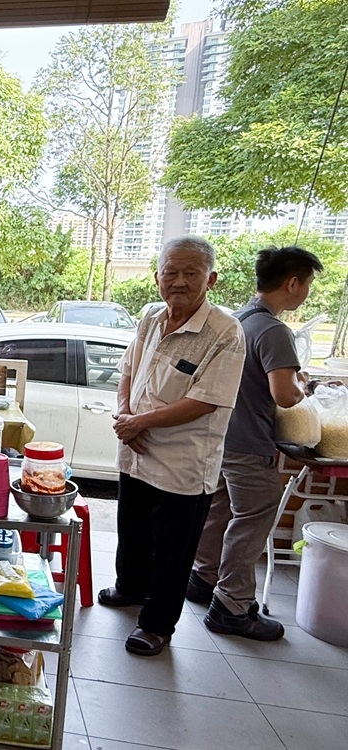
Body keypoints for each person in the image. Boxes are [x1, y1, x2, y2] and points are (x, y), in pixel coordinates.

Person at [99, 236, 246, 656]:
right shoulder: (150, 316)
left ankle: (157, 625)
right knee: (132, 529)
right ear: (157, 277)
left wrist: (138, 423)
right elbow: (128, 370)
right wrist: (126, 417)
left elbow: (205, 401)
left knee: (173, 550)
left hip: (183, 463)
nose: (179, 281)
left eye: (191, 273)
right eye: (171, 272)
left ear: (210, 279)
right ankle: (130, 587)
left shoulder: (225, 332)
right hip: (135, 449)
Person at [187, 246, 323, 640]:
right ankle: (231, 606)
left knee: (219, 511)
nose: (306, 293)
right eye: (307, 284)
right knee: (252, 519)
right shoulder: (274, 330)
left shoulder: (237, 320)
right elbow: (284, 395)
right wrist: (303, 386)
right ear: (292, 283)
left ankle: (203, 578)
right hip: (250, 444)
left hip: (221, 438)